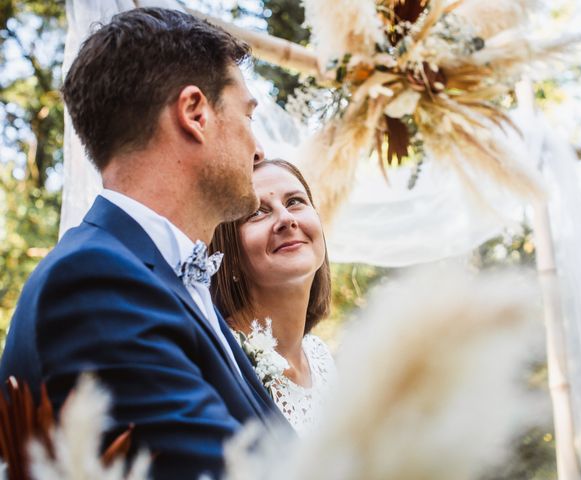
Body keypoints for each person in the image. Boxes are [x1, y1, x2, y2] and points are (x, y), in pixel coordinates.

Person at [0, 7, 286, 480]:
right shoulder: (94, 284)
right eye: (248, 115)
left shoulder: (158, 277)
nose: (258, 150)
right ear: (195, 113)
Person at [212, 159, 335, 433]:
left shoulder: (320, 355)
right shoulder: (223, 363)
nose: (286, 219)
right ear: (230, 257)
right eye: (256, 212)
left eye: (294, 202)